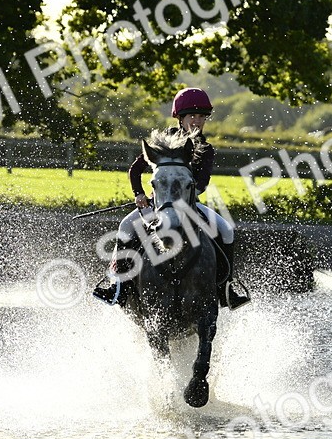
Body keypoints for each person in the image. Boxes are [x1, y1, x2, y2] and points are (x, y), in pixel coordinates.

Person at [93, 87, 250, 309]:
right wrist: (139, 195)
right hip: (157, 205)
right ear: (180, 117)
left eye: (201, 117)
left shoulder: (205, 148)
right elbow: (135, 170)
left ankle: (226, 289)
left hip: (190, 206)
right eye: (192, 116)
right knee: (125, 227)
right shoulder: (162, 143)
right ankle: (118, 286)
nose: (197, 121)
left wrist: (185, 198)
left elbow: (202, 182)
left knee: (226, 230)